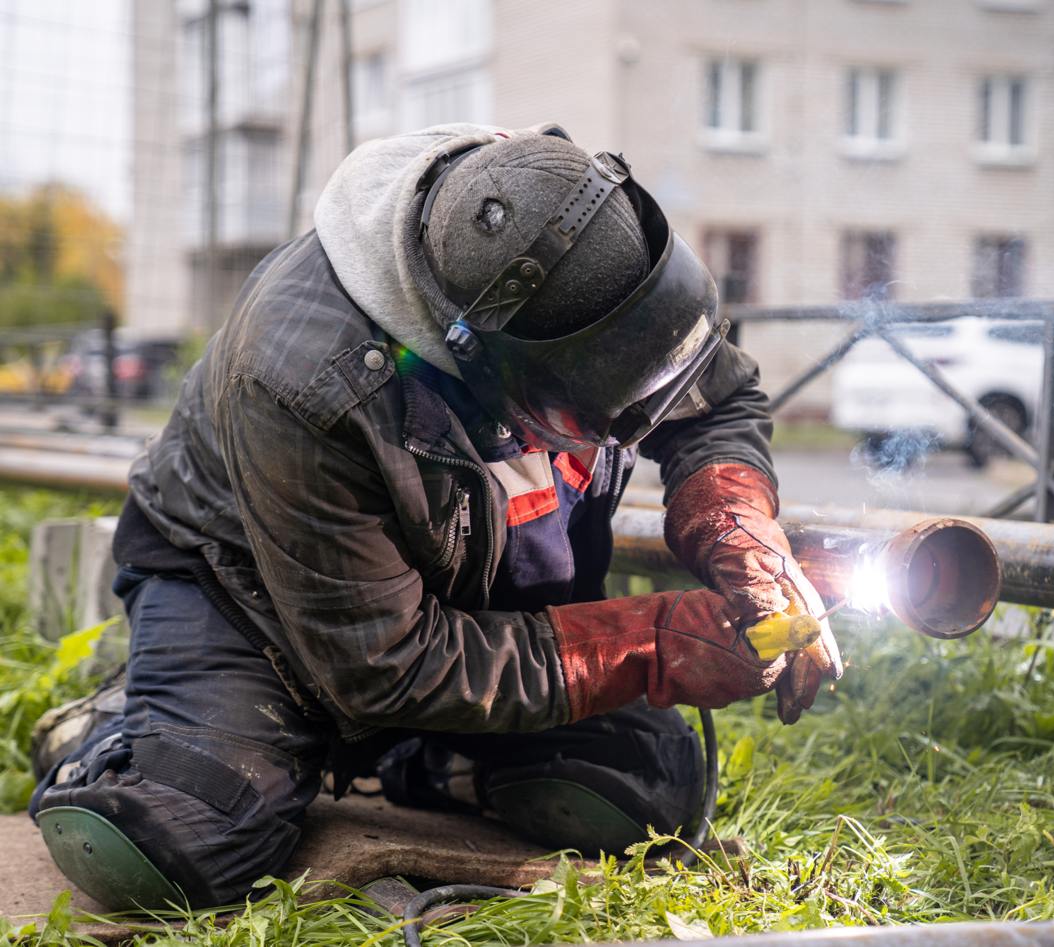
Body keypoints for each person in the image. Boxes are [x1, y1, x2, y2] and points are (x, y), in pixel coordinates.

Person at [28, 123, 841, 911]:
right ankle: (115, 730)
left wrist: (733, 524)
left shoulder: (568, 228)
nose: (626, 434)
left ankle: (421, 757)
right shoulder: (306, 377)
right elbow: (387, 661)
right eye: (596, 414)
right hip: (249, 605)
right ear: (477, 357)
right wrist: (649, 643)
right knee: (183, 837)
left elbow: (716, 395)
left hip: (463, 596)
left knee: (637, 788)